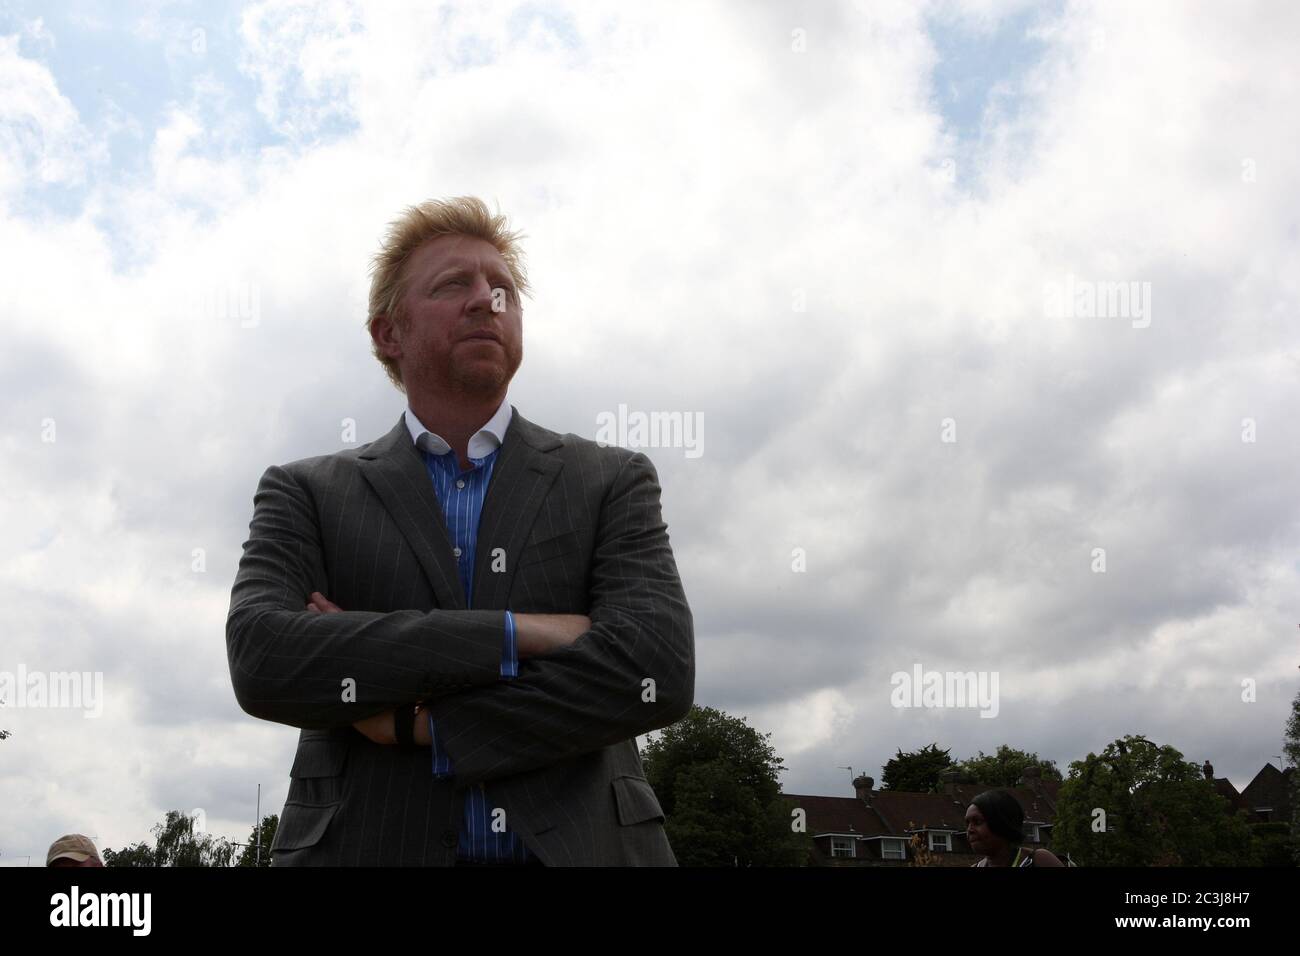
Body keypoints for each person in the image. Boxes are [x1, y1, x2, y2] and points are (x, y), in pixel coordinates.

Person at [226, 196, 695, 866]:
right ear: (389, 333)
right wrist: (520, 631)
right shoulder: (306, 491)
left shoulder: (610, 479)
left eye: (503, 289)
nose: (488, 301)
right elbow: (264, 659)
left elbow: (656, 668)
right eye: (454, 286)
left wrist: (421, 726)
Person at [965, 790, 1064, 867]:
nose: (970, 830)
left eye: (977, 822)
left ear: (1001, 823)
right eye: (967, 823)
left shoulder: (1038, 861)